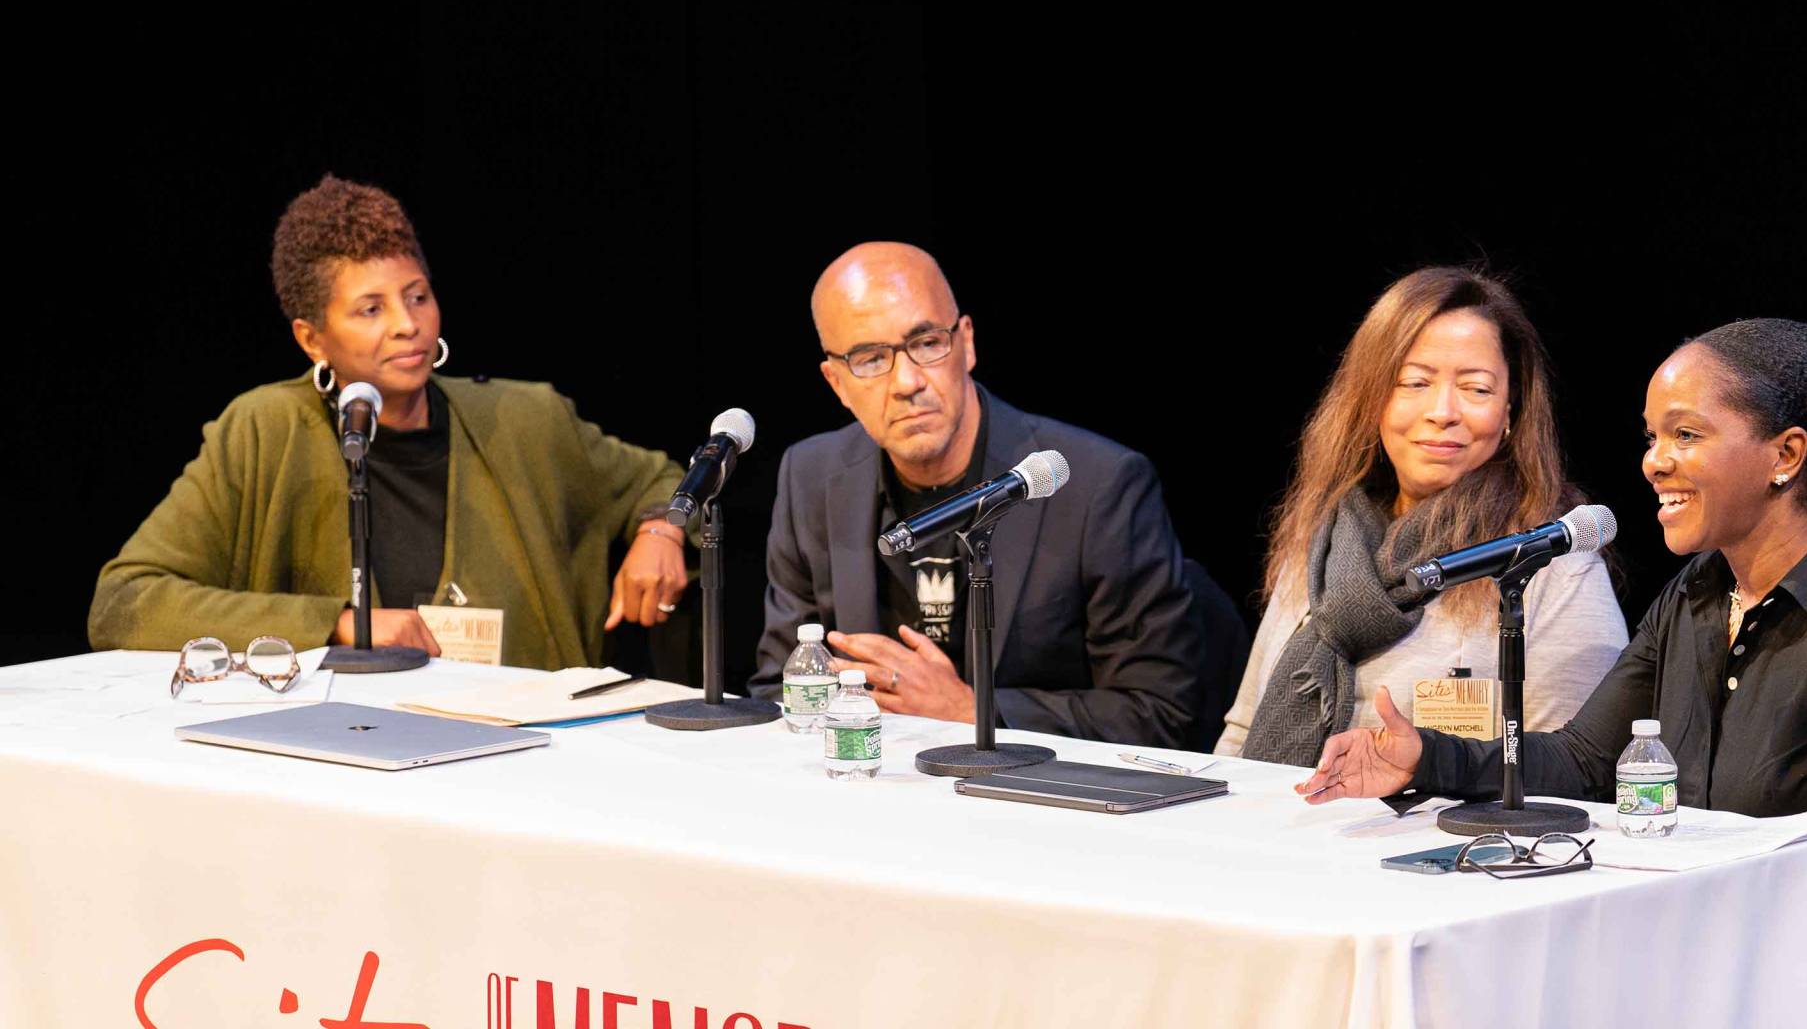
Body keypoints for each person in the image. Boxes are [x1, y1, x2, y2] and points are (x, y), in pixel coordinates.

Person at [1296, 318, 1807, 1007]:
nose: (1654, 461)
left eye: (1685, 434)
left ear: (1787, 454)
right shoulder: (1696, 592)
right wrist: (1426, 759)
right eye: (1651, 437)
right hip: (1691, 959)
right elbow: (1586, 762)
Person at [89, 174, 689, 670]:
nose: (407, 324)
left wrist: (660, 534)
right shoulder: (261, 432)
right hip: (329, 758)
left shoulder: (526, 419)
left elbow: (663, 482)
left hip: (527, 751)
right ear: (312, 338)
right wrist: (340, 624)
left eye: (418, 296)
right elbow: (124, 602)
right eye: (371, 309)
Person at [749, 241, 1202, 748]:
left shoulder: (1098, 485)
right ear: (836, 382)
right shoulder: (809, 476)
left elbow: (1159, 710)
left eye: (925, 343)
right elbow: (780, 687)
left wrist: (969, 711)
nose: (906, 382)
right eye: (871, 358)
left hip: (1034, 797)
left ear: (966, 343)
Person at [1220, 267, 1626, 764]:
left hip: (1451, 841)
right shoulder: (1321, 542)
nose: (1442, 410)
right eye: (1414, 382)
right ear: (1372, 399)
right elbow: (1242, 733)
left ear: (1509, 412)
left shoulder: (1550, 563)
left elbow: (1575, 768)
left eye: (1476, 389)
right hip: (1282, 827)